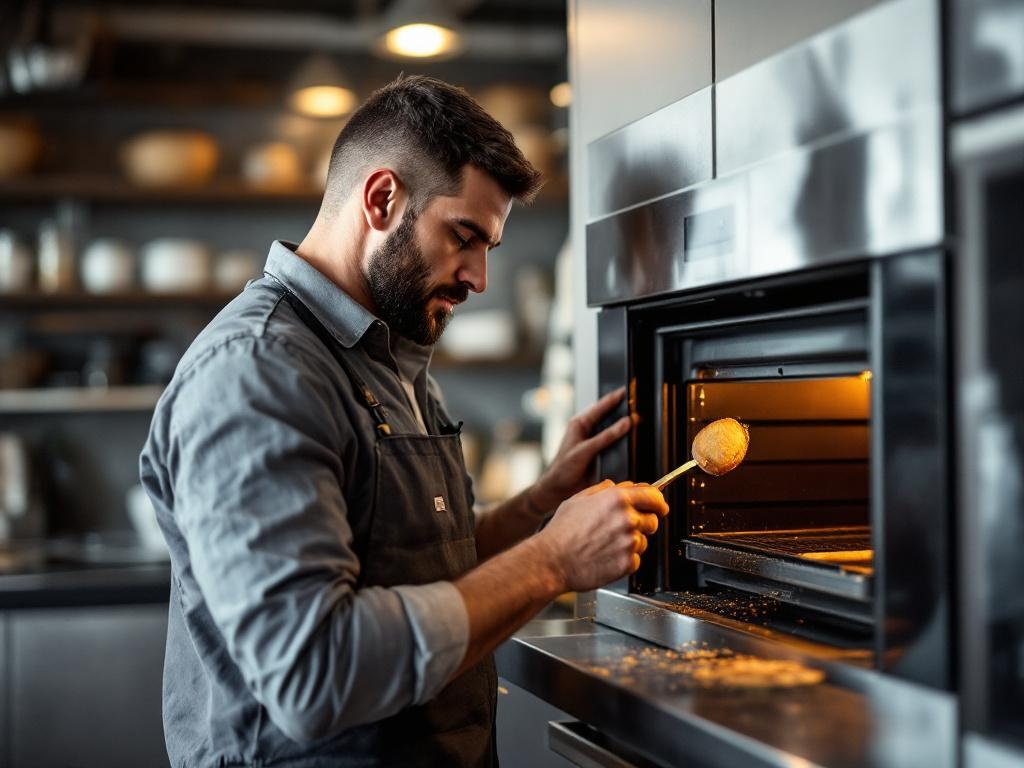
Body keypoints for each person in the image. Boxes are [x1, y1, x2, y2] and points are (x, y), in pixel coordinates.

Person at [140, 74, 668, 768]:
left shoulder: (388, 351)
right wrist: (552, 561)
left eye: (489, 248)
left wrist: (543, 504)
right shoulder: (259, 371)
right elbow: (314, 675)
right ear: (382, 198)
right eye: (463, 236)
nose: (479, 277)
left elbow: (410, 570)